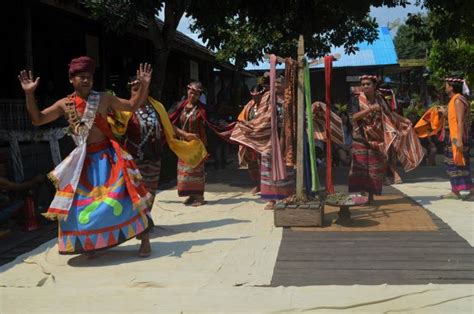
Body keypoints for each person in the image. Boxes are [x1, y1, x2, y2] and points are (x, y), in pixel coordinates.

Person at [18, 56, 154, 257]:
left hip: (109, 157)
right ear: (71, 80)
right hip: (83, 161)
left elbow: (131, 106)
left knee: (127, 196)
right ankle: (91, 243)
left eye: (89, 77)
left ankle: (144, 239)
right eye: (81, 77)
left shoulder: (104, 98)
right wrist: (29, 94)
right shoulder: (64, 104)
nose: (86, 80)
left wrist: (143, 85)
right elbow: (38, 119)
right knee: (79, 204)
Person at [348, 75, 424, 202]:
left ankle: (370, 196)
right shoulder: (356, 99)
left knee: (374, 168)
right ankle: (360, 196)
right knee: (359, 167)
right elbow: (353, 117)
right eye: (363, 84)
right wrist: (371, 109)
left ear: (374, 86)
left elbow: (390, 114)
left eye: (368, 84)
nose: (365, 86)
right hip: (360, 136)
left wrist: (404, 121)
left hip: (378, 138)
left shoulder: (380, 99)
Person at [169, 81, 234, 206]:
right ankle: (191, 195)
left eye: (196, 94)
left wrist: (231, 127)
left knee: (197, 173)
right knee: (185, 173)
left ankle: (199, 196)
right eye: (191, 92)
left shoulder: (204, 110)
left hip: (198, 146)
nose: (192, 95)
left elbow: (216, 122)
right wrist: (183, 134)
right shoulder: (178, 107)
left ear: (200, 96)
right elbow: (168, 122)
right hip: (183, 146)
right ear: (187, 91)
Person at [440, 76, 473, 200]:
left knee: (460, 164)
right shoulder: (454, 99)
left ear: (452, 87)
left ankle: (472, 191)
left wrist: (459, 140)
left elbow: (460, 122)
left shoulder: (458, 100)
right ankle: (455, 191)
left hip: (458, 137)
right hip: (453, 137)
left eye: (446, 85)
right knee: (452, 164)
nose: (445, 87)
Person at [236, 84, 267, 194]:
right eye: (253, 96)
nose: (255, 98)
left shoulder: (267, 105)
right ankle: (258, 184)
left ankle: (266, 186)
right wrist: (246, 124)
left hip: (264, 139)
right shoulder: (249, 105)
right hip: (251, 140)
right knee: (252, 163)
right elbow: (241, 118)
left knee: (264, 163)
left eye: (257, 96)